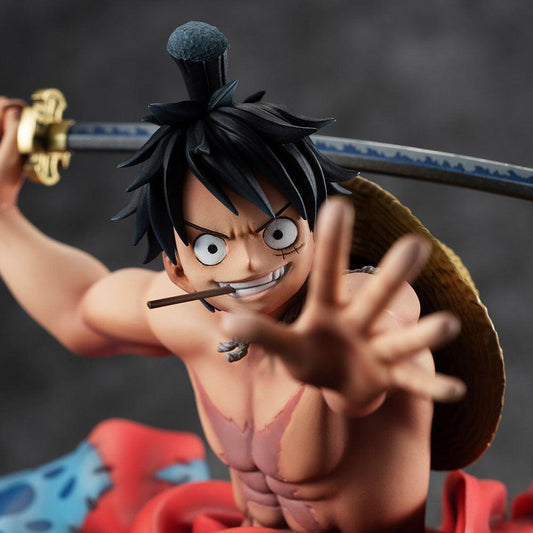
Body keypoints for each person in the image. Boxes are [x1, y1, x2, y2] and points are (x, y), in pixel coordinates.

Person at [0, 22, 504, 533]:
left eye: (278, 233)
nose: (248, 264)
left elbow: (377, 335)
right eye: (212, 247)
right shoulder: (187, 318)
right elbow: (80, 306)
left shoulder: (358, 300)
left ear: (314, 229)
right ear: (177, 267)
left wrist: (345, 364)